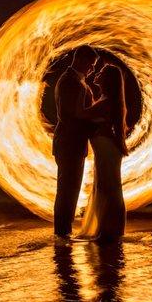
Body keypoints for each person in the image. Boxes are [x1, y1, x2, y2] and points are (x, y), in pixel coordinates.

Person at [75, 64, 128, 242]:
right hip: (105, 149)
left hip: (107, 149)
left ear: (108, 80)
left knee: (108, 189)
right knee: (107, 188)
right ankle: (109, 231)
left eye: (102, 73)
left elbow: (80, 114)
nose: (97, 74)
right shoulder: (106, 100)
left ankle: (108, 232)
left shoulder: (106, 102)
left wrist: (83, 88)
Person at [52, 45, 99, 237]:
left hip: (72, 143)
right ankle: (62, 234)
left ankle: (64, 232)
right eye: (91, 64)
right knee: (67, 191)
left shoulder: (76, 80)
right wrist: (98, 118)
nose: (92, 69)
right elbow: (71, 115)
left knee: (70, 190)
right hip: (69, 144)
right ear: (80, 60)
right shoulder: (70, 82)